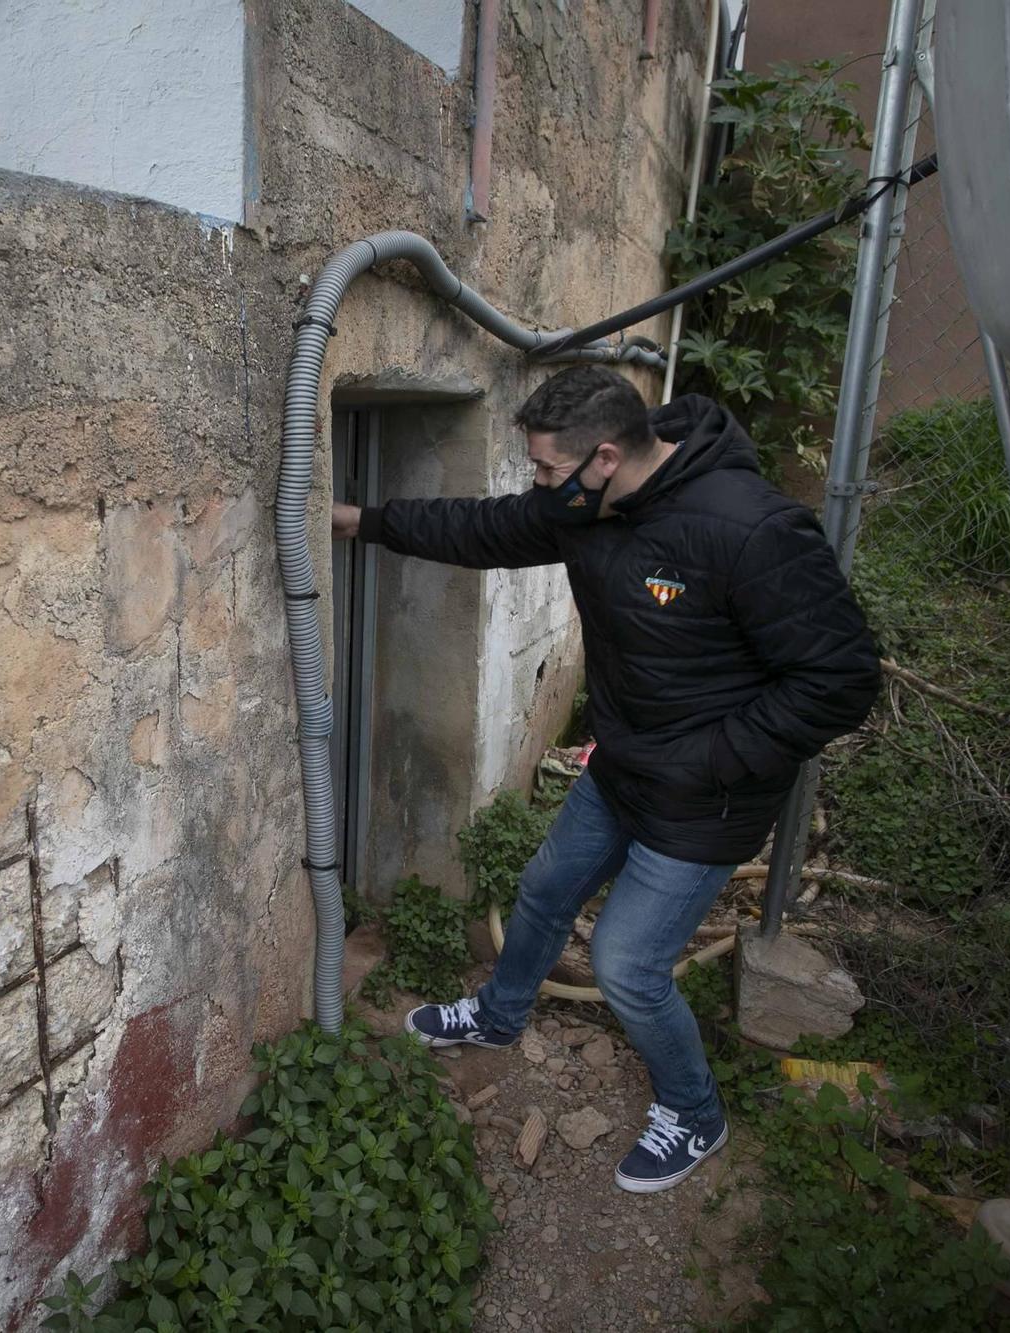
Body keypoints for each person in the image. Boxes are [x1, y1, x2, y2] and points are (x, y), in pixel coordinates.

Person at [332, 366, 881, 1193]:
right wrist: (362, 521)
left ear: (608, 456)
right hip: (624, 766)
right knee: (545, 887)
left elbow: (839, 680)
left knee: (626, 965)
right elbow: (487, 529)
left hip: (705, 797)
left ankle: (695, 1111)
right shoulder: (586, 507)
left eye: (548, 469)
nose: (537, 485)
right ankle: (501, 1012)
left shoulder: (751, 530)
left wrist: (706, 761)